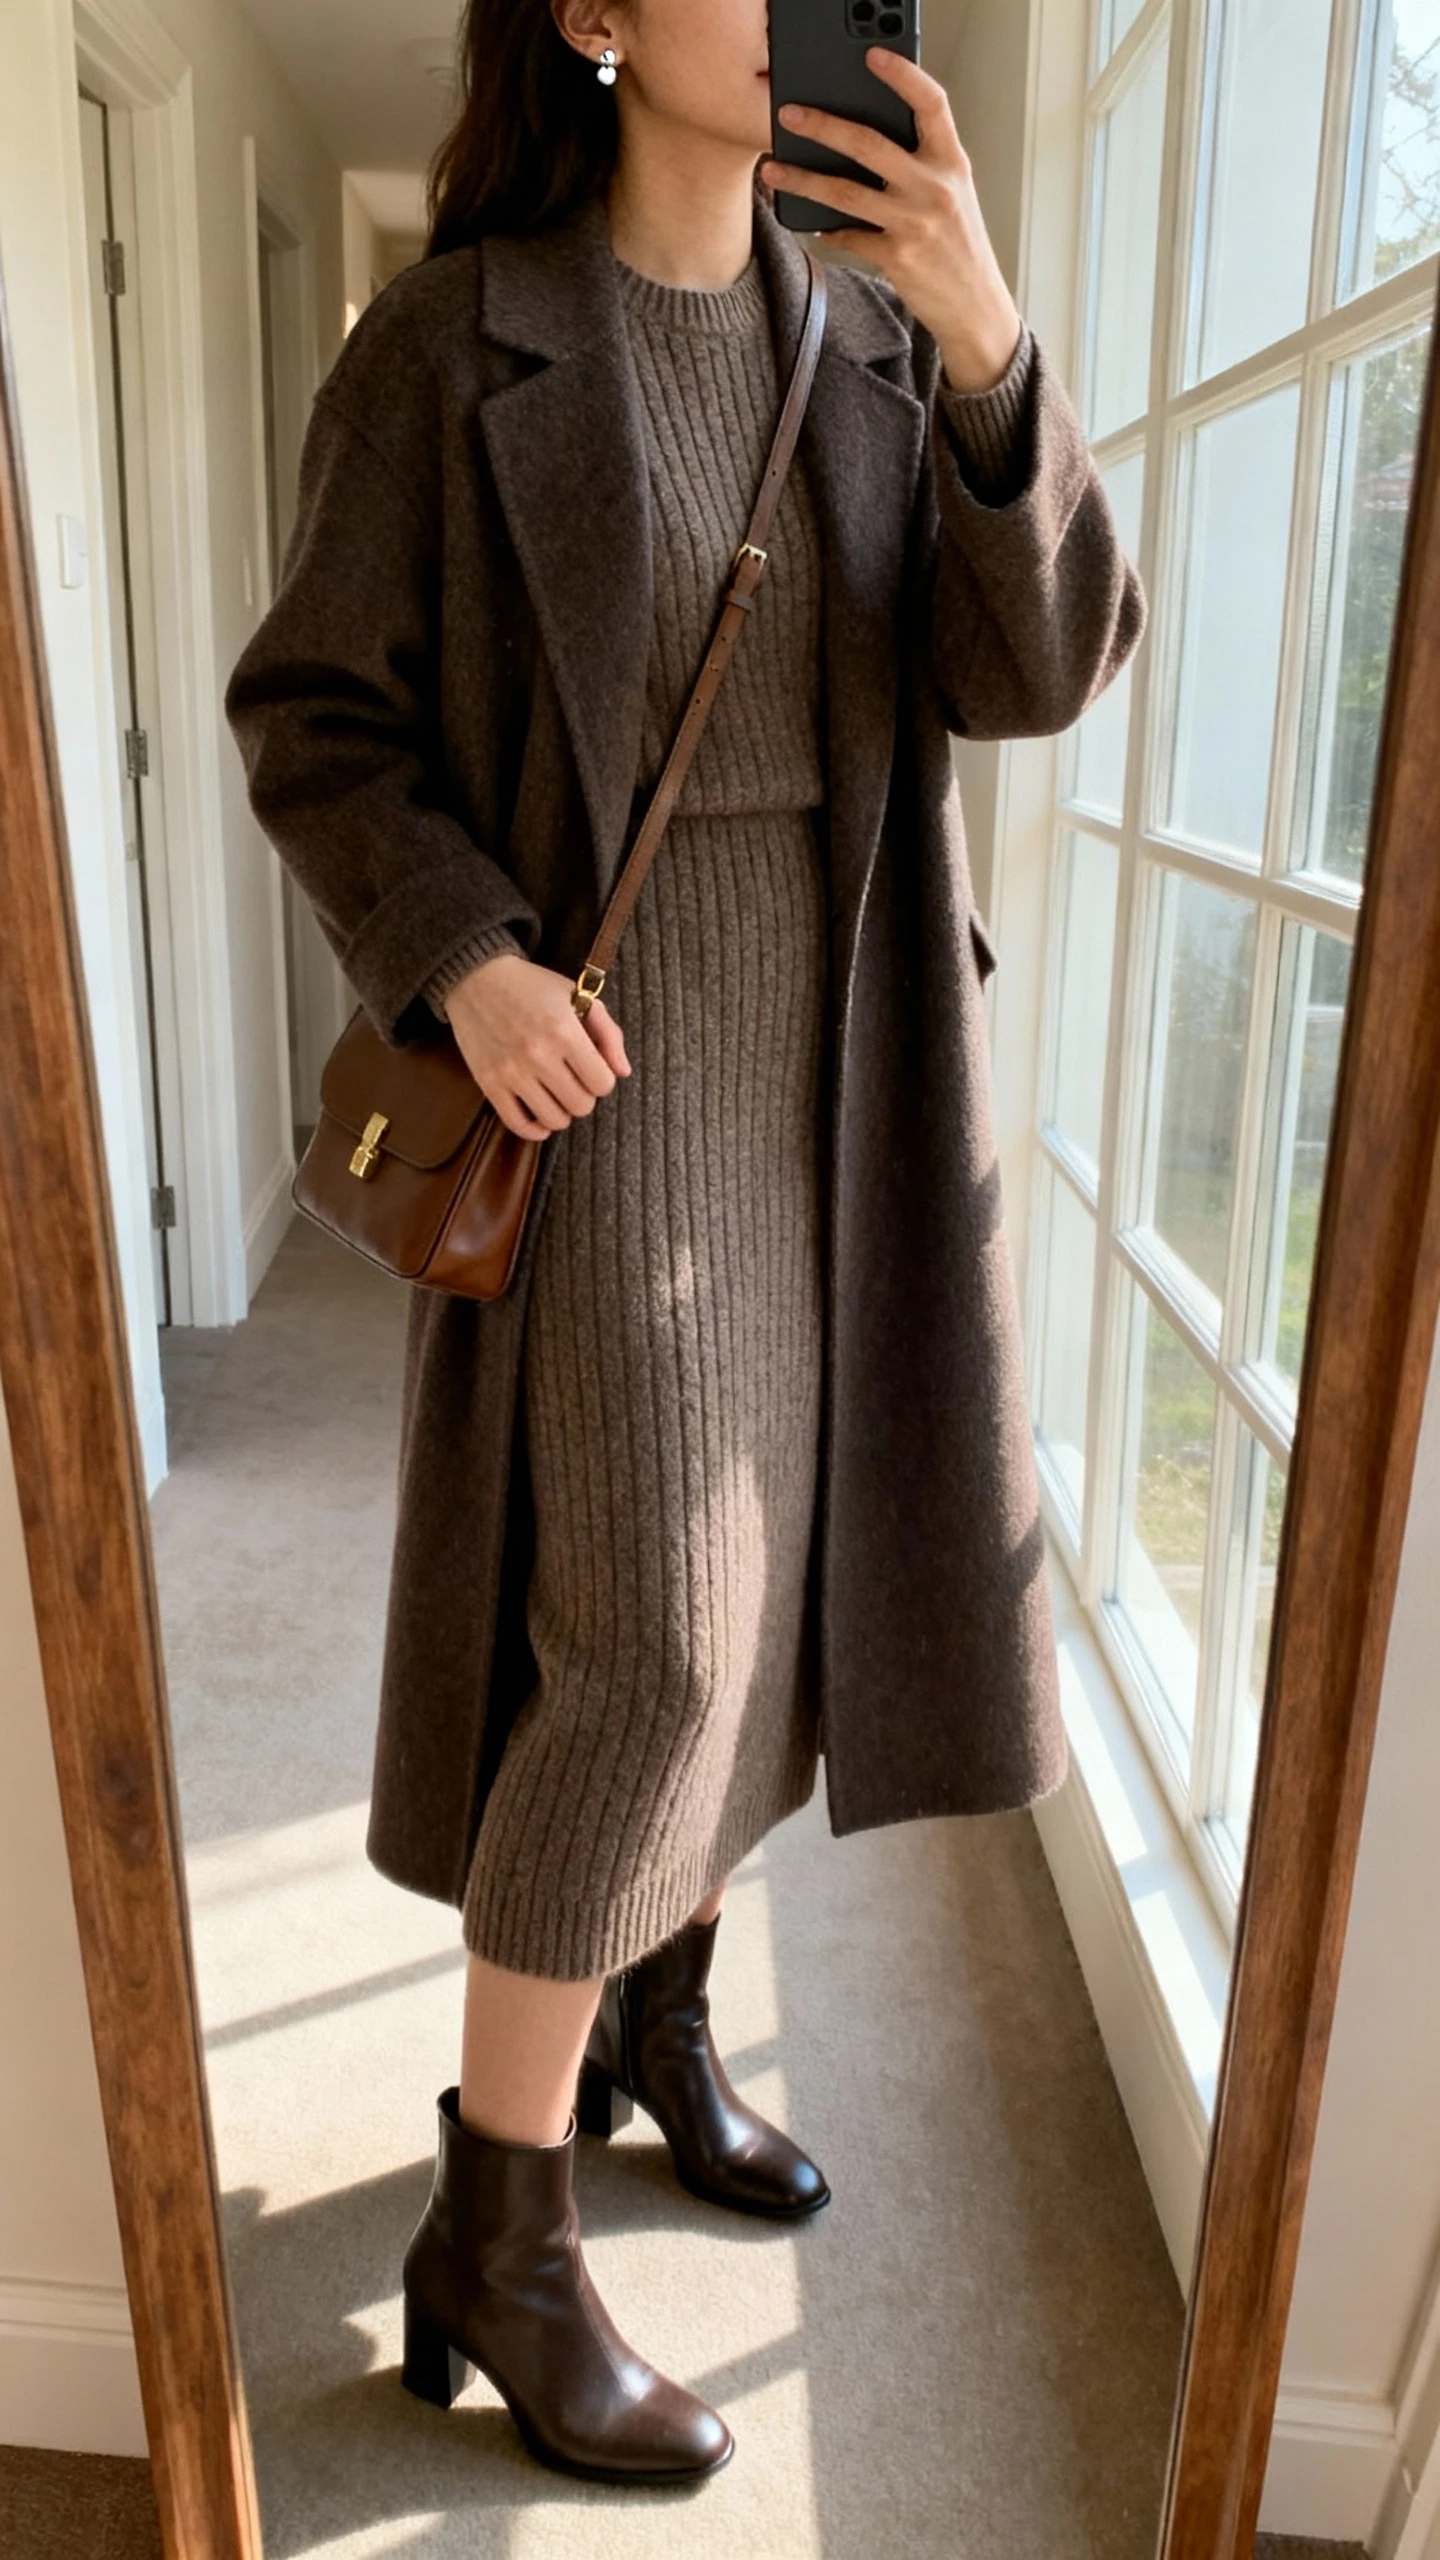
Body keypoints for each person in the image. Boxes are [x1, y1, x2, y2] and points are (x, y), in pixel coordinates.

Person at [225, 0, 1144, 2491]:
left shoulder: (876, 336)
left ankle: (657, 2018)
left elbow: (1039, 666)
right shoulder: (449, 343)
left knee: (783, 1599)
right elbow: (314, 712)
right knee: (657, 1640)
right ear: (598, 19)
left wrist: (989, 341)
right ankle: (497, 2233)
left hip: (852, 1071)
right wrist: (463, 955)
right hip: (609, 1087)